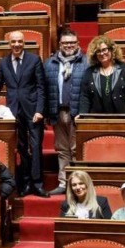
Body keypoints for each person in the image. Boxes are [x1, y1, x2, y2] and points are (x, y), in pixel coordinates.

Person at [0, 30, 47, 197]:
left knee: (36, 146)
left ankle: (37, 183)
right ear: (9, 44)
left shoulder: (34, 60)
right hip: (14, 111)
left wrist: (39, 110)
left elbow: (41, 87)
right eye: (13, 42)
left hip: (33, 111)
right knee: (22, 148)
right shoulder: (3, 63)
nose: (16, 45)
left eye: (20, 42)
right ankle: (25, 183)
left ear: (24, 43)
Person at [44, 28, 88, 192]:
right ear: (60, 45)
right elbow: (45, 89)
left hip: (77, 112)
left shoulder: (86, 62)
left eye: (72, 43)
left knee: (76, 149)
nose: (69, 45)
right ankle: (63, 183)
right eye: (65, 43)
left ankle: (78, 184)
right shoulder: (50, 63)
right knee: (62, 149)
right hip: (58, 111)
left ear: (78, 44)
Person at [78, 35, 125, 116]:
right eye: (98, 51)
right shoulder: (89, 72)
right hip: (99, 120)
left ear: (111, 50)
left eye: (104, 50)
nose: (102, 53)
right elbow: (85, 97)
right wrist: (82, 116)